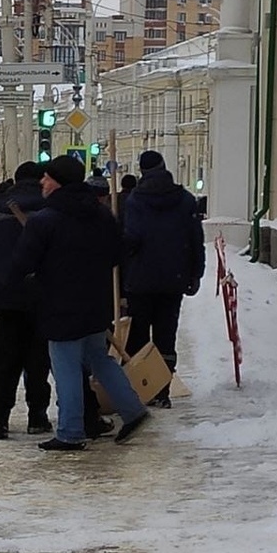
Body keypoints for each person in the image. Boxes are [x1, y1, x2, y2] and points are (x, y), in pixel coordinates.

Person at [11, 156, 150, 450]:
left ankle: (70, 432)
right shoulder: (100, 215)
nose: (41, 182)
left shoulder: (45, 220)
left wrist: (18, 282)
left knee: (66, 367)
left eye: (47, 178)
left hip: (59, 305)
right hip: (95, 302)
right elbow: (116, 254)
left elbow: (22, 263)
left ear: (58, 182)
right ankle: (133, 410)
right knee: (99, 358)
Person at [0, 162, 52, 440]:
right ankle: (37, 416)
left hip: (2, 297)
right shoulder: (48, 208)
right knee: (38, 360)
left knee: (1, 363)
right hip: (41, 296)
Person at [122, 150, 206, 408]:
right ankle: (162, 392)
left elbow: (132, 238)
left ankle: (141, 389)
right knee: (166, 336)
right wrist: (196, 272)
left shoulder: (135, 200)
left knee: (138, 336)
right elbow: (195, 239)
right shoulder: (185, 199)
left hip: (140, 280)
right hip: (174, 280)